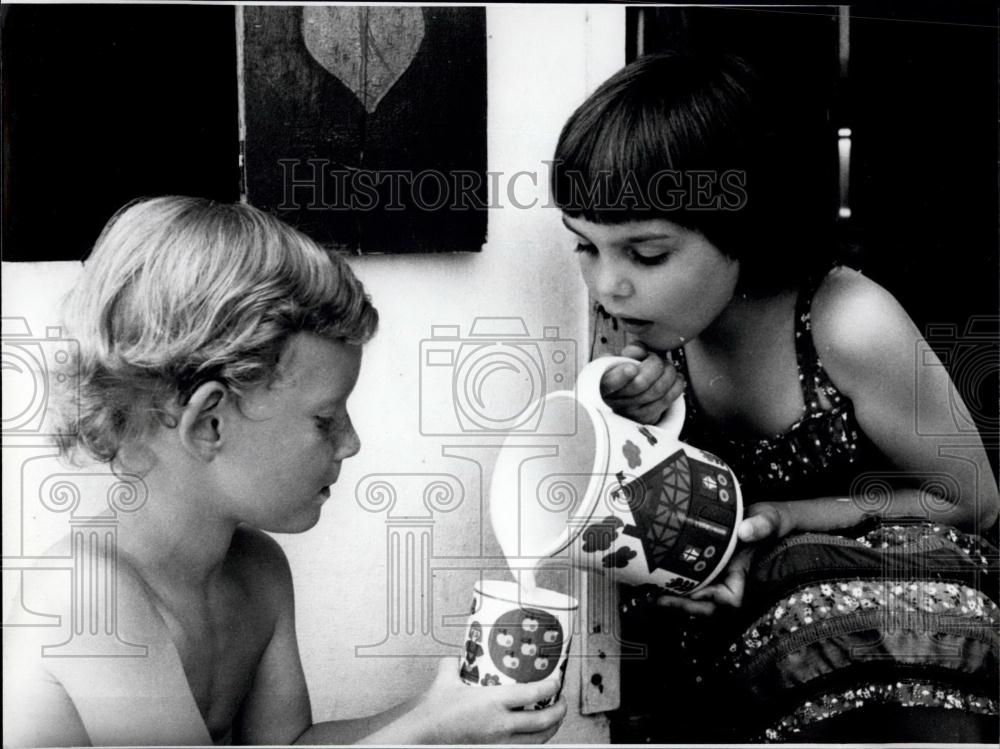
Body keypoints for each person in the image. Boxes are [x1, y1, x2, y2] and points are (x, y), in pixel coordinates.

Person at [3, 197, 567, 746]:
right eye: (325, 419)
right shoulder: (87, 595)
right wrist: (427, 733)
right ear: (210, 425)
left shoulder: (255, 570)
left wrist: (442, 711)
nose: (351, 443)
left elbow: (286, 745)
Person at [550, 52, 999, 741]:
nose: (608, 286)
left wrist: (793, 520)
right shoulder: (645, 334)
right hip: (740, 628)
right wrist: (637, 429)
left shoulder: (846, 321)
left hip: (896, 628)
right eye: (585, 246)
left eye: (645, 254)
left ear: (746, 227)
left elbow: (974, 499)